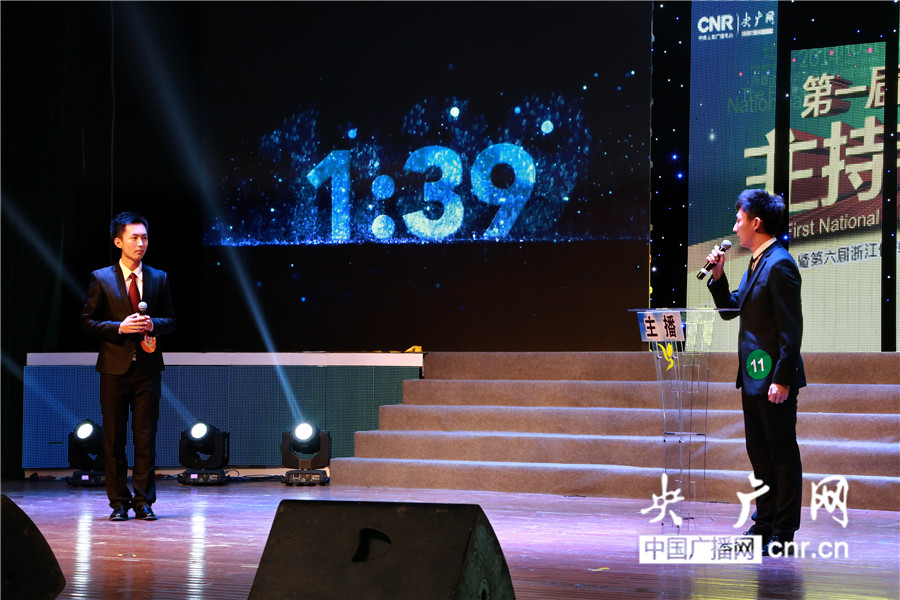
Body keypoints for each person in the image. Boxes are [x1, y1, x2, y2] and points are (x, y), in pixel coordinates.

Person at [704, 189, 805, 557]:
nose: (735, 227)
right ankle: (763, 525)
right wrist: (718, 277)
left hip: (773, 377)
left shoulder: (779, 264)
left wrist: (782, 377)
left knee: (781, 455)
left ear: (756, 222)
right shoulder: (756, 262)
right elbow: (732, 310)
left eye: (739, 219)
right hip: (752, 375)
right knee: (760, 455)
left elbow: (791, 329)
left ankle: (783, 532)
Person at [81, 212, 175, 521]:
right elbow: (88, 322)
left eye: (144, 237)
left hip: (148, 369)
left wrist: (153, 324)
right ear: (118, 241)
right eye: (134, 237)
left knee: (146, 437)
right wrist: (119, 327)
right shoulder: (101, 278)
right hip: (114, 369)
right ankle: (118, 502)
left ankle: (144, 502)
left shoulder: (159, 277)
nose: (140, 243)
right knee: (114, 439)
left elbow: (171, 320)